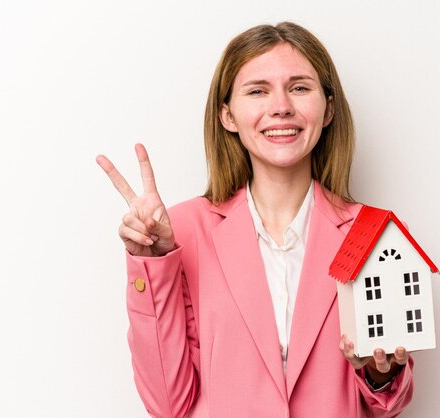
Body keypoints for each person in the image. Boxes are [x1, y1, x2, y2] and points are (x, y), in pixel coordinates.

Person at [97, 22, 414, 418]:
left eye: (299, 87)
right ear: (228, 115)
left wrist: (379, 376)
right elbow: (167, 404)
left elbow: (388, 405)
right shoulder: (182, 232)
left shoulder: (369, 233)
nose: (281, 106)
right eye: (257, 91)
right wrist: (151, 262)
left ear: (329, 108)